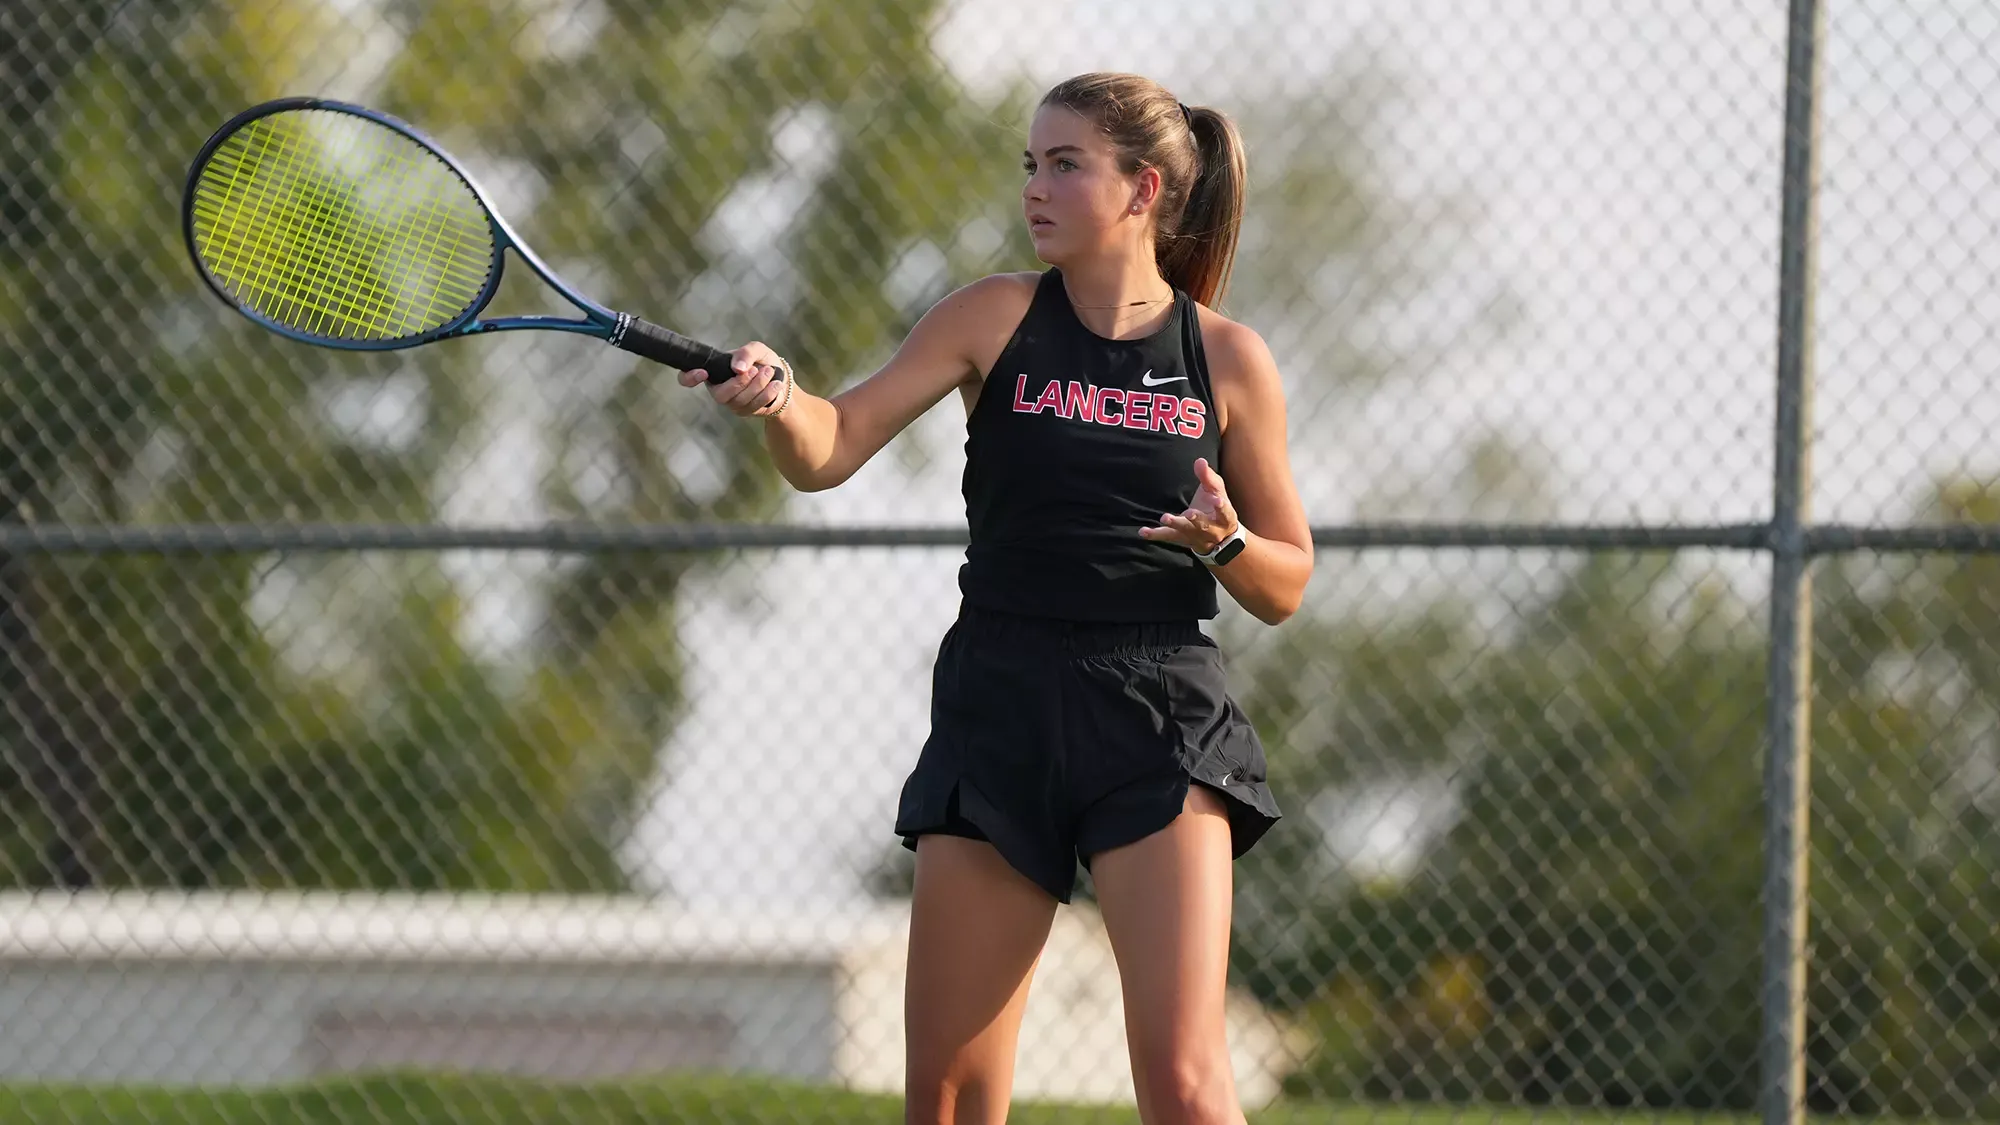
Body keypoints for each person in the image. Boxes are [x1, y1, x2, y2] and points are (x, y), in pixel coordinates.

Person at [679, 71, 1312, 1125]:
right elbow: (829, 449)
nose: (1035, 187)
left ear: (1141, 190)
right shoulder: (991, 316)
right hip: (1002, 700)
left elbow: (1285, 580)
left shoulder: (1229, 360)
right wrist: (782, 400)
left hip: (1158, 717)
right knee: (948, 1096)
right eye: (1032, 163)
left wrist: (1227, 541)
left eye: (1065, 164)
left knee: (1189, 1087)